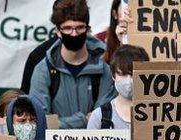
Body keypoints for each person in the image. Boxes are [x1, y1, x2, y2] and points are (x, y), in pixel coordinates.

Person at [30, 0, 116, 128]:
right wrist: (84, 120)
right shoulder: (43, 70)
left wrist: (60, 124)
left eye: (80, 27)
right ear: (58, 31)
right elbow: (41, 123)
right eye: (68, 28)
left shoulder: (104, 67)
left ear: (87, 29)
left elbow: (103, 120)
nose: (74, 34)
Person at [87, 44, 148, 131]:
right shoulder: (99, 117)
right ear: (113, 75)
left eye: (133, 74)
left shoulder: (159, 115)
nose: (129, 80)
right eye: (123, 74)